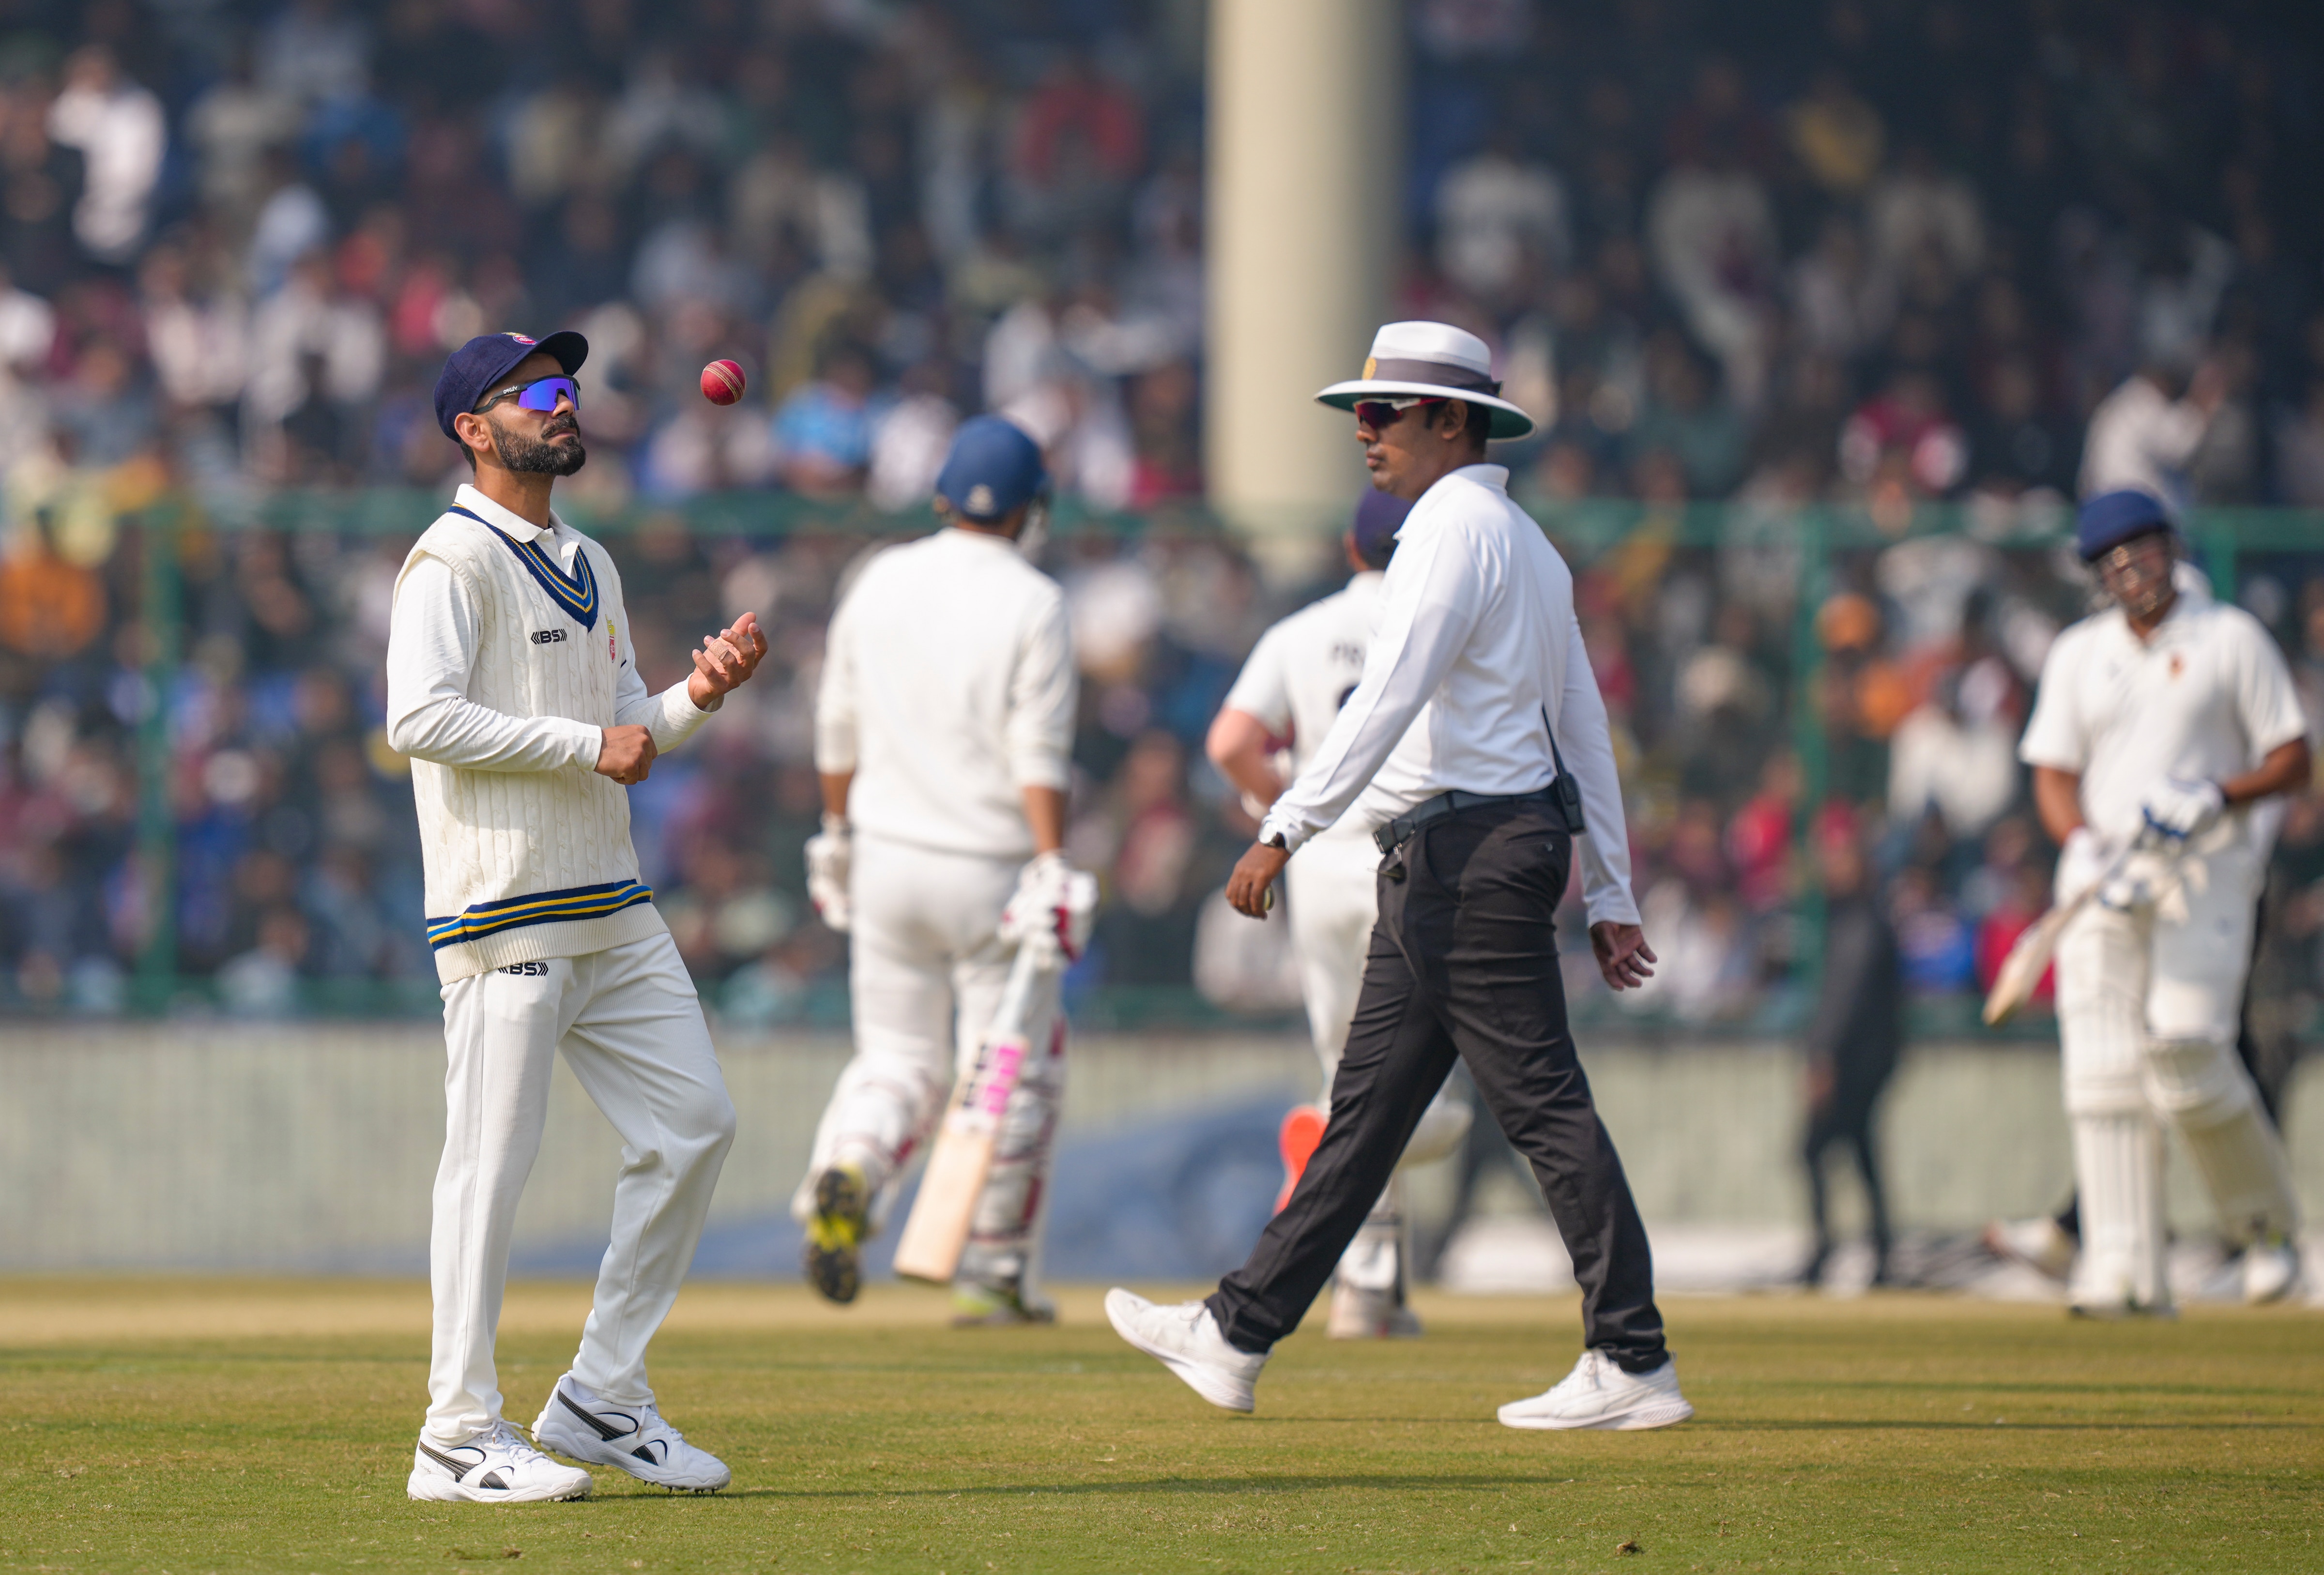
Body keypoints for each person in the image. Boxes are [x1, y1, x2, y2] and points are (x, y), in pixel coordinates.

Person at [1106, 321, 1691, 1431]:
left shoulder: (1449, 528)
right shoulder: (1529, 544)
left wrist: (1284, 825)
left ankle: (1631, 1352)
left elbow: (1389, 693)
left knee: (1539, 1105)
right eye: (1360, 413)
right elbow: (1586, 731)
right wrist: (1609, 891)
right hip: (1465, 855)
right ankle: (1236, 1333)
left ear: (1450, 420)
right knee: (1364, 1120)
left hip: (1467, 857)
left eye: (1382, 412)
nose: (1363, 431)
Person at [388, 331, 768, 1503]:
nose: (564, 406)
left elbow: (628, 728)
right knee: (488, 1171)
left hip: (611, 903)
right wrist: (583, 743)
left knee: (695, 1126)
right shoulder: (448, 560)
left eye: (569, 389)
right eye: (537, 394)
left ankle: (602, 1394)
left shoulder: (589, 558)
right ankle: (455, 1434)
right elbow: (418, 717)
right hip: (502, 911)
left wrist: (698, 695)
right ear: (473, 429)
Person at [794, 414, 1085, 1326]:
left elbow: (836, 723)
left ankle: (853, 1163)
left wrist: (836, 831)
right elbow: (1039, 751)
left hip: (884, 860)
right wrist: (1052, 861)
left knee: (897, 1060)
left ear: (940, 497)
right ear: (1034, 507)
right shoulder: (1036, 601)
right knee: (1010, 1072)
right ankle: (994, 1270)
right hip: (991, 871)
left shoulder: (878, 576)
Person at [2018, 488, 2307, 1314]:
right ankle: (2121, 1269)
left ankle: (2267, 1233)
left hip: (2204, 872)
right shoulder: (2079, 653)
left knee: (2186, 1050)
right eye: (2111, 560)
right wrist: (2081, 840)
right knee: (2102, 1071)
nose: (2130, 569)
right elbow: (2053, 773)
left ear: (2170, 547)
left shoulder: (2230, 638)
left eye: (2141, 548)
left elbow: (2293, 759)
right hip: (2105, 880)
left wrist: (2216, 794)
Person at [1205, 488, 1472, 1339]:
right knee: (1437, 1099)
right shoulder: (1441, 624)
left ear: (1352, 549)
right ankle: (1332, 1150)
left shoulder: (1302, 630)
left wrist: (1277, 807)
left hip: (1317, 865)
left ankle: (1367, 1287)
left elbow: (1230, 742)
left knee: (1349, 1068)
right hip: (1412, 860)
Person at [1796, 811, 1901, 1289]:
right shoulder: (1858, 919)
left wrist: (1823, 1057)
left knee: (1814, 1148)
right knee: (1860, 1151)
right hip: (1867, 1057)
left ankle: (1826, 1249)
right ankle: (1879, 1249)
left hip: (1854, 1060)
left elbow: (1845, 997)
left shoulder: (1862, 922)